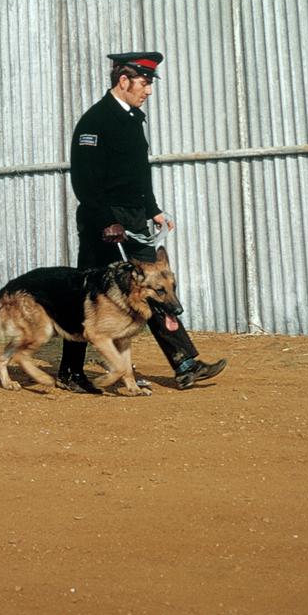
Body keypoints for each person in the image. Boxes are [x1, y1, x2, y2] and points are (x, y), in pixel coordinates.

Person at [57, 51, 227, 394]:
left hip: (132, 217)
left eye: (149, 83)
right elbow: (84, 181)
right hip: (101, 222)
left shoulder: (133, 118)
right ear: (124, 81)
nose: (148, 90)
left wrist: (153, 210)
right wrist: (107, 220)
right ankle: (70, 371)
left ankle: (185, 362)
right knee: (90, 294)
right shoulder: (95, 122)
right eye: (144, 82)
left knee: (156, 287)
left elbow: (138, 175)